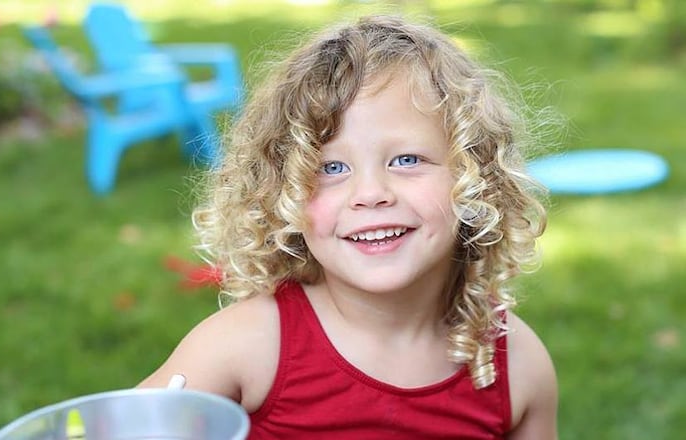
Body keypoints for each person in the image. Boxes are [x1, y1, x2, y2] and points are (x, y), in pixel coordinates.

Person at [140, 14, 558, 439]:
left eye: (407, 160)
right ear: (282, 193)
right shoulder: (246, 346)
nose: (371, 192)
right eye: (331, 168)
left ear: (476, 175)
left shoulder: (515, 364)